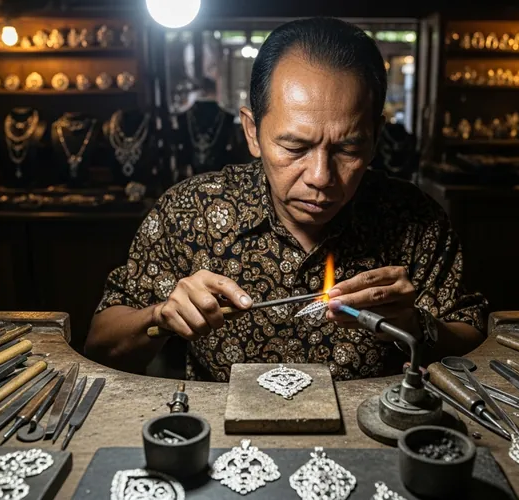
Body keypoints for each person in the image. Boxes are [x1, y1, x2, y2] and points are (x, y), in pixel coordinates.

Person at [86, 17, 487, 381]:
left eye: (348, 149)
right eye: (294, 147)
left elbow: (473, 345)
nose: (320, 178)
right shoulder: (191, 212)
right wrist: (161, 316)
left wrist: (416, 326)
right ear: (251, 131)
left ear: (376, 137)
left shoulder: (416, 220)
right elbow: (101, 348)